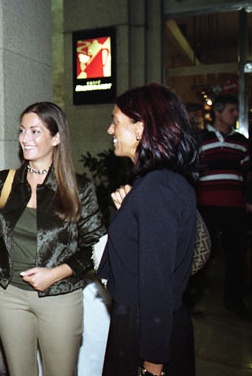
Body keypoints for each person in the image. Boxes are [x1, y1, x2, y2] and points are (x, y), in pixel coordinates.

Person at [0, 102, 105, 376]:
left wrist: (55, 274)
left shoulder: (79, 188)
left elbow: (95, 247)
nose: (25, 138)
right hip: (9, 294)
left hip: (59, 298)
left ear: (56, 138)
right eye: (22, 130)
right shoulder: (6, 181)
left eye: (35, 131)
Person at [97, 83, 200, 376]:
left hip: (144, 330)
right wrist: (131, 210)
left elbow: (157, 286)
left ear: (140, 128)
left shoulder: (156, 189)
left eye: (116, 121)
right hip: (141, 323)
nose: (110, 130)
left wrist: (153, 366)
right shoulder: (156, 183)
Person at [195, 94, 250, 318]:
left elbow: (246, 173)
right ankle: (192, 300)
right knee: (200, 253)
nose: (235, 115)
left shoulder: (241, 142)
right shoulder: (200, 139)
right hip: (207, 206)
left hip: (234, 206)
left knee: (237, 254)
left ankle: (234, 302)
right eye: (231, 111)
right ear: (217, 112)